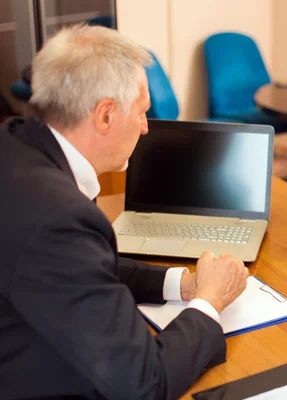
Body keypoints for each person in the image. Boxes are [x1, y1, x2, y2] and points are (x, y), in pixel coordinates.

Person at [0, 24, 249, 399]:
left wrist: (180, 283)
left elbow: (80, 268)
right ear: (105, 116)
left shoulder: (17, 141)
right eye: (141, 111)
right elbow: (143, 384)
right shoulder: (57, 217)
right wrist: (209, 302)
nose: (146, 128)